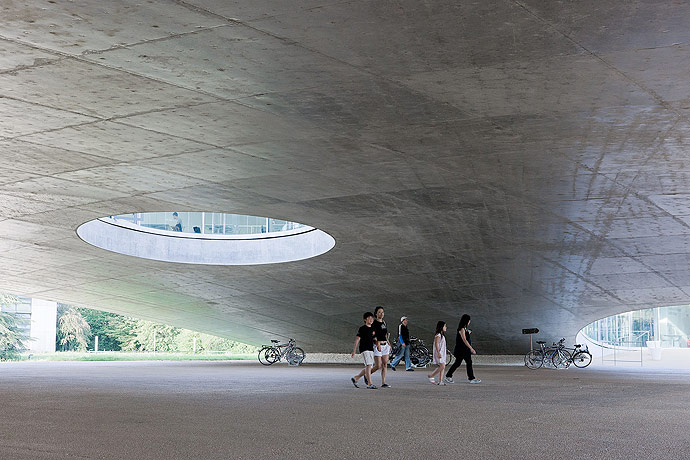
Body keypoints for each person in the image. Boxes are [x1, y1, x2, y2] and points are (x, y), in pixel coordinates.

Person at [444, 314, 481, 384]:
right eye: (469, 320)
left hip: (465, 350)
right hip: (461, 350)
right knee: (459, 363)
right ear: (466, 321)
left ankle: (470, 378)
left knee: (466, 362)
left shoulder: (465, 329)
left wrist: (468, 332)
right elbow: (464, 340)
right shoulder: (461, 329)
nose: (469, 321)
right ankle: (448, 376)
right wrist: (471, 348)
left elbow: (465, 336)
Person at [351, 312, 377, 389]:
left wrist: (378, 345)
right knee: (368, 365)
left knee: (369, 366)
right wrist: (354, 350)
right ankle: (369, 383)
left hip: (371, 349)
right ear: (365, 319)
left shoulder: (373, 329)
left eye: (372, 318)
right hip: (364, 349)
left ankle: (356, 378)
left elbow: (374, 339)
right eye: (369, 318)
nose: (371, 319)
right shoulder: (362, 328)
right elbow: (357, 339)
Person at [369, 306, 391, 388]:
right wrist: (377, 343)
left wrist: (389, 343)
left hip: (385, 345)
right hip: (377, 345)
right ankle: (367, 375)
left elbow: (385, 334)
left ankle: (383, 382)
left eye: (382, 312)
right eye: (379, 312)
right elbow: (373, 335)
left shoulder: (384, 323)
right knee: (378, 365)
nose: (381, 314)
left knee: (385, 364)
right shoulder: (374, 323)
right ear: (376, 313)